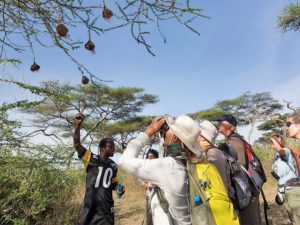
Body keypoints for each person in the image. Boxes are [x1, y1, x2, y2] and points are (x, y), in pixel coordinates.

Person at [118, 114, 202, 225]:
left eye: (168, 129)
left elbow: (123, 160)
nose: (164, 131)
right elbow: (164, 154)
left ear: (175, 137)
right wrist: (161, 134)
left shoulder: (168, 166)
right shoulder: (187, 163)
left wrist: (148, 132)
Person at [73, 113, 125, 225]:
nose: (113, 149)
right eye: (110, 147)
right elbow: (77, 145)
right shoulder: (90, 158)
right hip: (90, 208)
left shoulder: (113, 165)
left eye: (114, 147)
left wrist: (119, 188)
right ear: (101, 148)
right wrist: (78, 126)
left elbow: (114, 184)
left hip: (106, 210)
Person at [216, 114, 262, 225]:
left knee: (248, 220)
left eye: (221, 123)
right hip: (251, 188)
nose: (218, 126)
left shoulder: (234, 142)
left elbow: (239, 169)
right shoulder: (237, 139)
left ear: (230, 126)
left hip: (246, 191)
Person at [197, 120, 239, 225]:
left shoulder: (208, 155)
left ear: (202, 137)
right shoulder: (218, 152)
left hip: (215, 206)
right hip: (225, 202)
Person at [269, 134, 300, 225]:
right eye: (271, 141)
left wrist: (271, 137)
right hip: (286, 191)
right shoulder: (276, 157)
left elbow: (280, 149)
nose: (273, 142)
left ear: (282, 141)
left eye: (276, 139)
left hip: (293, 189)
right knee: (294, 220)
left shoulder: (286, 151)